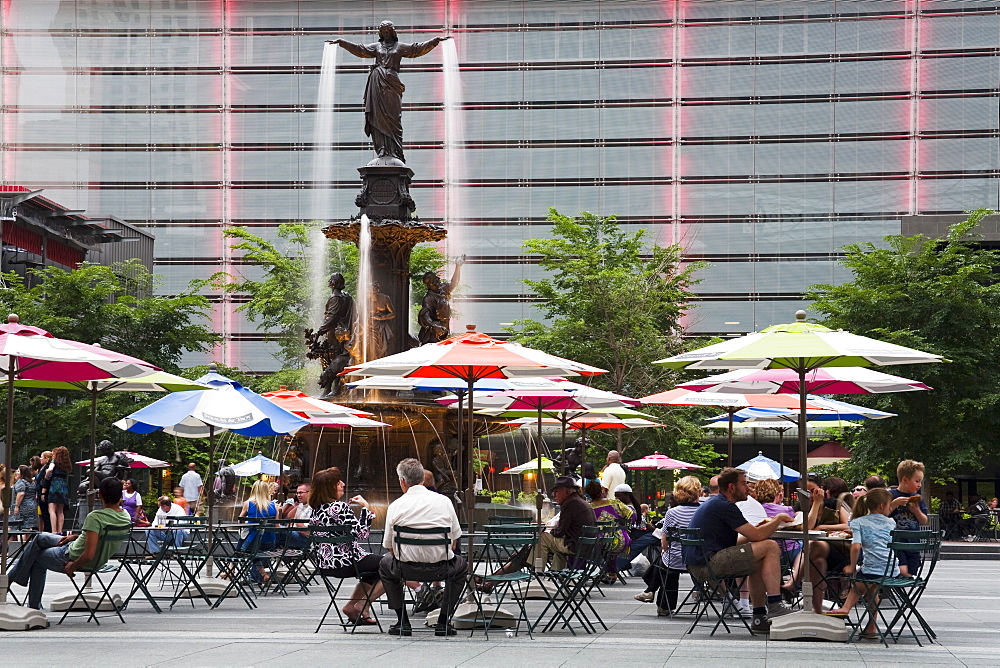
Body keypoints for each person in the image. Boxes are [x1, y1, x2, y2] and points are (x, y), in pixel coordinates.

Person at [683, 467, 794, 635]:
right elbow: (757, 536)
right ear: (731, 487)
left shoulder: (718, 503)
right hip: (708, 565)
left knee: (759, 557)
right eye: (744, 484)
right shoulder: (725, 506)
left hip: (699, 564)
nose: (748, 488)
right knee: (770, 546)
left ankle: (759, 617)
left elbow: (745, 538)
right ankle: (775, 605)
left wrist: (756, 531)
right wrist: (777, 519)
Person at [328, 22, 452, 163]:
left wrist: (434, 41)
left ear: (392, 32)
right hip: (377, 83)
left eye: (388, 30)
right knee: (377, 115)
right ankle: (382, 149)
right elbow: (360, 49)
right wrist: (342, 42)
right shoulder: (376, 47)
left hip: (392, 84)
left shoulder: (400, 47)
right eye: (383, 31)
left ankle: (395, 152)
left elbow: (416, 50)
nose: (386, 33)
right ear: (380, 33)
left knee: (393, 117)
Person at [9, 477, 130, 610]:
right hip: (96, 558)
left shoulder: (96, 517)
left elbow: (88, 555)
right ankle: (13, 579)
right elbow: (101, 537)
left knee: (36, 557)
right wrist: (77, 537)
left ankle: (29, 603)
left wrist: (73, 566)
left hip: (72, 556)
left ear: (99, 494)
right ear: (120, 494)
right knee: (40, 538)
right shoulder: (125, 516)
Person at [379, 458, 465, 636]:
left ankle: (402, 621)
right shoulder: (444, 502)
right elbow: (455, 541)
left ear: (403, 481)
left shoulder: (395, 506)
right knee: (462, 566)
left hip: (405, 569)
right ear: (422, 479)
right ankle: (443, 621)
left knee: (384, 565)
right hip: (442, 569)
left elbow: (389, 548)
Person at [309, 468, 381, 625]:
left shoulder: (316, 509)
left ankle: (351, 607)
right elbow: (362, 535)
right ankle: (362, 605)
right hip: (347, 562)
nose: (343, 484)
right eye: (339, 482)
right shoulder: (338, 507)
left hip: (326, 564)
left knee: (375, 570)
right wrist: (366, 508)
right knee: (392, 565)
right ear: (331, 487)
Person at [824, 488, 898, 638]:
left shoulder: (858, 522)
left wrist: (851, 566)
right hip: (891, 568)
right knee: (871, 587)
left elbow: (856, 546)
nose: (891, 508)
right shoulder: (891, 522)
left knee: (860, 579)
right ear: (882, 506)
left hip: (873, 569)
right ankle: (871, 628)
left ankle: (846, 607)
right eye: (890, 505)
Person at [782, 473, 851, 613]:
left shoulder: (834, 503)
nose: (809, 495)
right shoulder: (800, 507)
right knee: (817, 561)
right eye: (805, 492)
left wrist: (823, 527)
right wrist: (815, 505)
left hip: (839, 553)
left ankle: (792, 582)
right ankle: (817, 610)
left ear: (821, 489)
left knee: (814, 545)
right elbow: (808, 527)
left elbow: (848, 525)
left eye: (812, 491)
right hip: (814, 555)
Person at [635, 475, 701, 616]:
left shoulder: (672, 512)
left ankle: (657, 598)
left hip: (676, 560)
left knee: (667, 560)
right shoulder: (703, 511)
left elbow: (664, 540)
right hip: (699, 559)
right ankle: (653, 594)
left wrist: (665, 550)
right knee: (667, 560)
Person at [532, 476, 597, 572]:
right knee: (557, 547)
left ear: (566, 491)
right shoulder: (580, 501)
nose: (554, 495)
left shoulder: (570, 504)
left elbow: (560, 532)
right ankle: (556, 573)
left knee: (542, 538)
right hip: (587, 546)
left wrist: (551, 531)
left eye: (557, 491)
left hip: (575, 547)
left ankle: (537, 571)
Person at [586, 480, 632, 581]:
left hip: (600, 542)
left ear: (589, 494)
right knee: (609, 544)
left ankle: (607, 572)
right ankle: (610, 572)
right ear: (601, 491)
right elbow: (630, 514)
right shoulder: (614, 503)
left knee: (590, 545)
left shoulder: (588, 508)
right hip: (621, 538)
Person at [888, 459, 928, 576]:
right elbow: (882, 515)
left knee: (911, 572)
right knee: (903, 571)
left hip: (914, 542)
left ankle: (895, 591)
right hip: (896, 542)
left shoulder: (917, 497)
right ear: (905, 479)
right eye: (917, 481)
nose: (919, 485)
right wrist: (895, 504)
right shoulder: (891, 495)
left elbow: (924, 521)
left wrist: (916, 511)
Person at [240, 479, 279, 584]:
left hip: (253, 543)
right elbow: (277, 526)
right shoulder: (274, 506)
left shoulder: (248, 504)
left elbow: (240, 521)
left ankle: (231, 570)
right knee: (252, 549)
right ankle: (263, 574)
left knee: (245, 547)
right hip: (270, 543)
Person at [42, 446, 72, 534]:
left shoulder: (54, 461)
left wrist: (47, 475)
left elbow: (50, 470)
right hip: (64, 486)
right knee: (60, 511)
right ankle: (60, 531)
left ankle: (54, 531)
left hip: (55, 485)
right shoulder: (66, 464)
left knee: (52, 509)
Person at [281, 481, 313, 549]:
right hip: (296, 533)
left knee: (278, 531)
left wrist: (294, 523)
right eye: (297, 493)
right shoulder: (301, 505)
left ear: (310, 493)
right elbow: (290, 517)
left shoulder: (312, 507)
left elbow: (306, 531)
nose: (298, 495)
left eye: (301, 493)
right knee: (274, 531)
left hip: (305, 540)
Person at [12, 465, 39, 532]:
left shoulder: (21, 482)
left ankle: (19, 542)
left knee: (20, 528)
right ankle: (28, 542)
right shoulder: (32, 483)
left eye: (18, 471)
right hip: (32, 506)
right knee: (29, 528)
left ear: (22, 473)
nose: (16, 472)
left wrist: (17, 506)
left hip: (23, 507)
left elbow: (21, 493)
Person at [34, 451, 52, 532]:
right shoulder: (43, 467)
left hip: (44, 493)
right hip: (40, 492)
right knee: (43, 513)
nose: (40, 458)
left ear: (46, 458)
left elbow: (45, 480)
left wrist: (42, 492)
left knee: (45, 513)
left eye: (42, 457)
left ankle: (48, 529)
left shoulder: (47, 468)